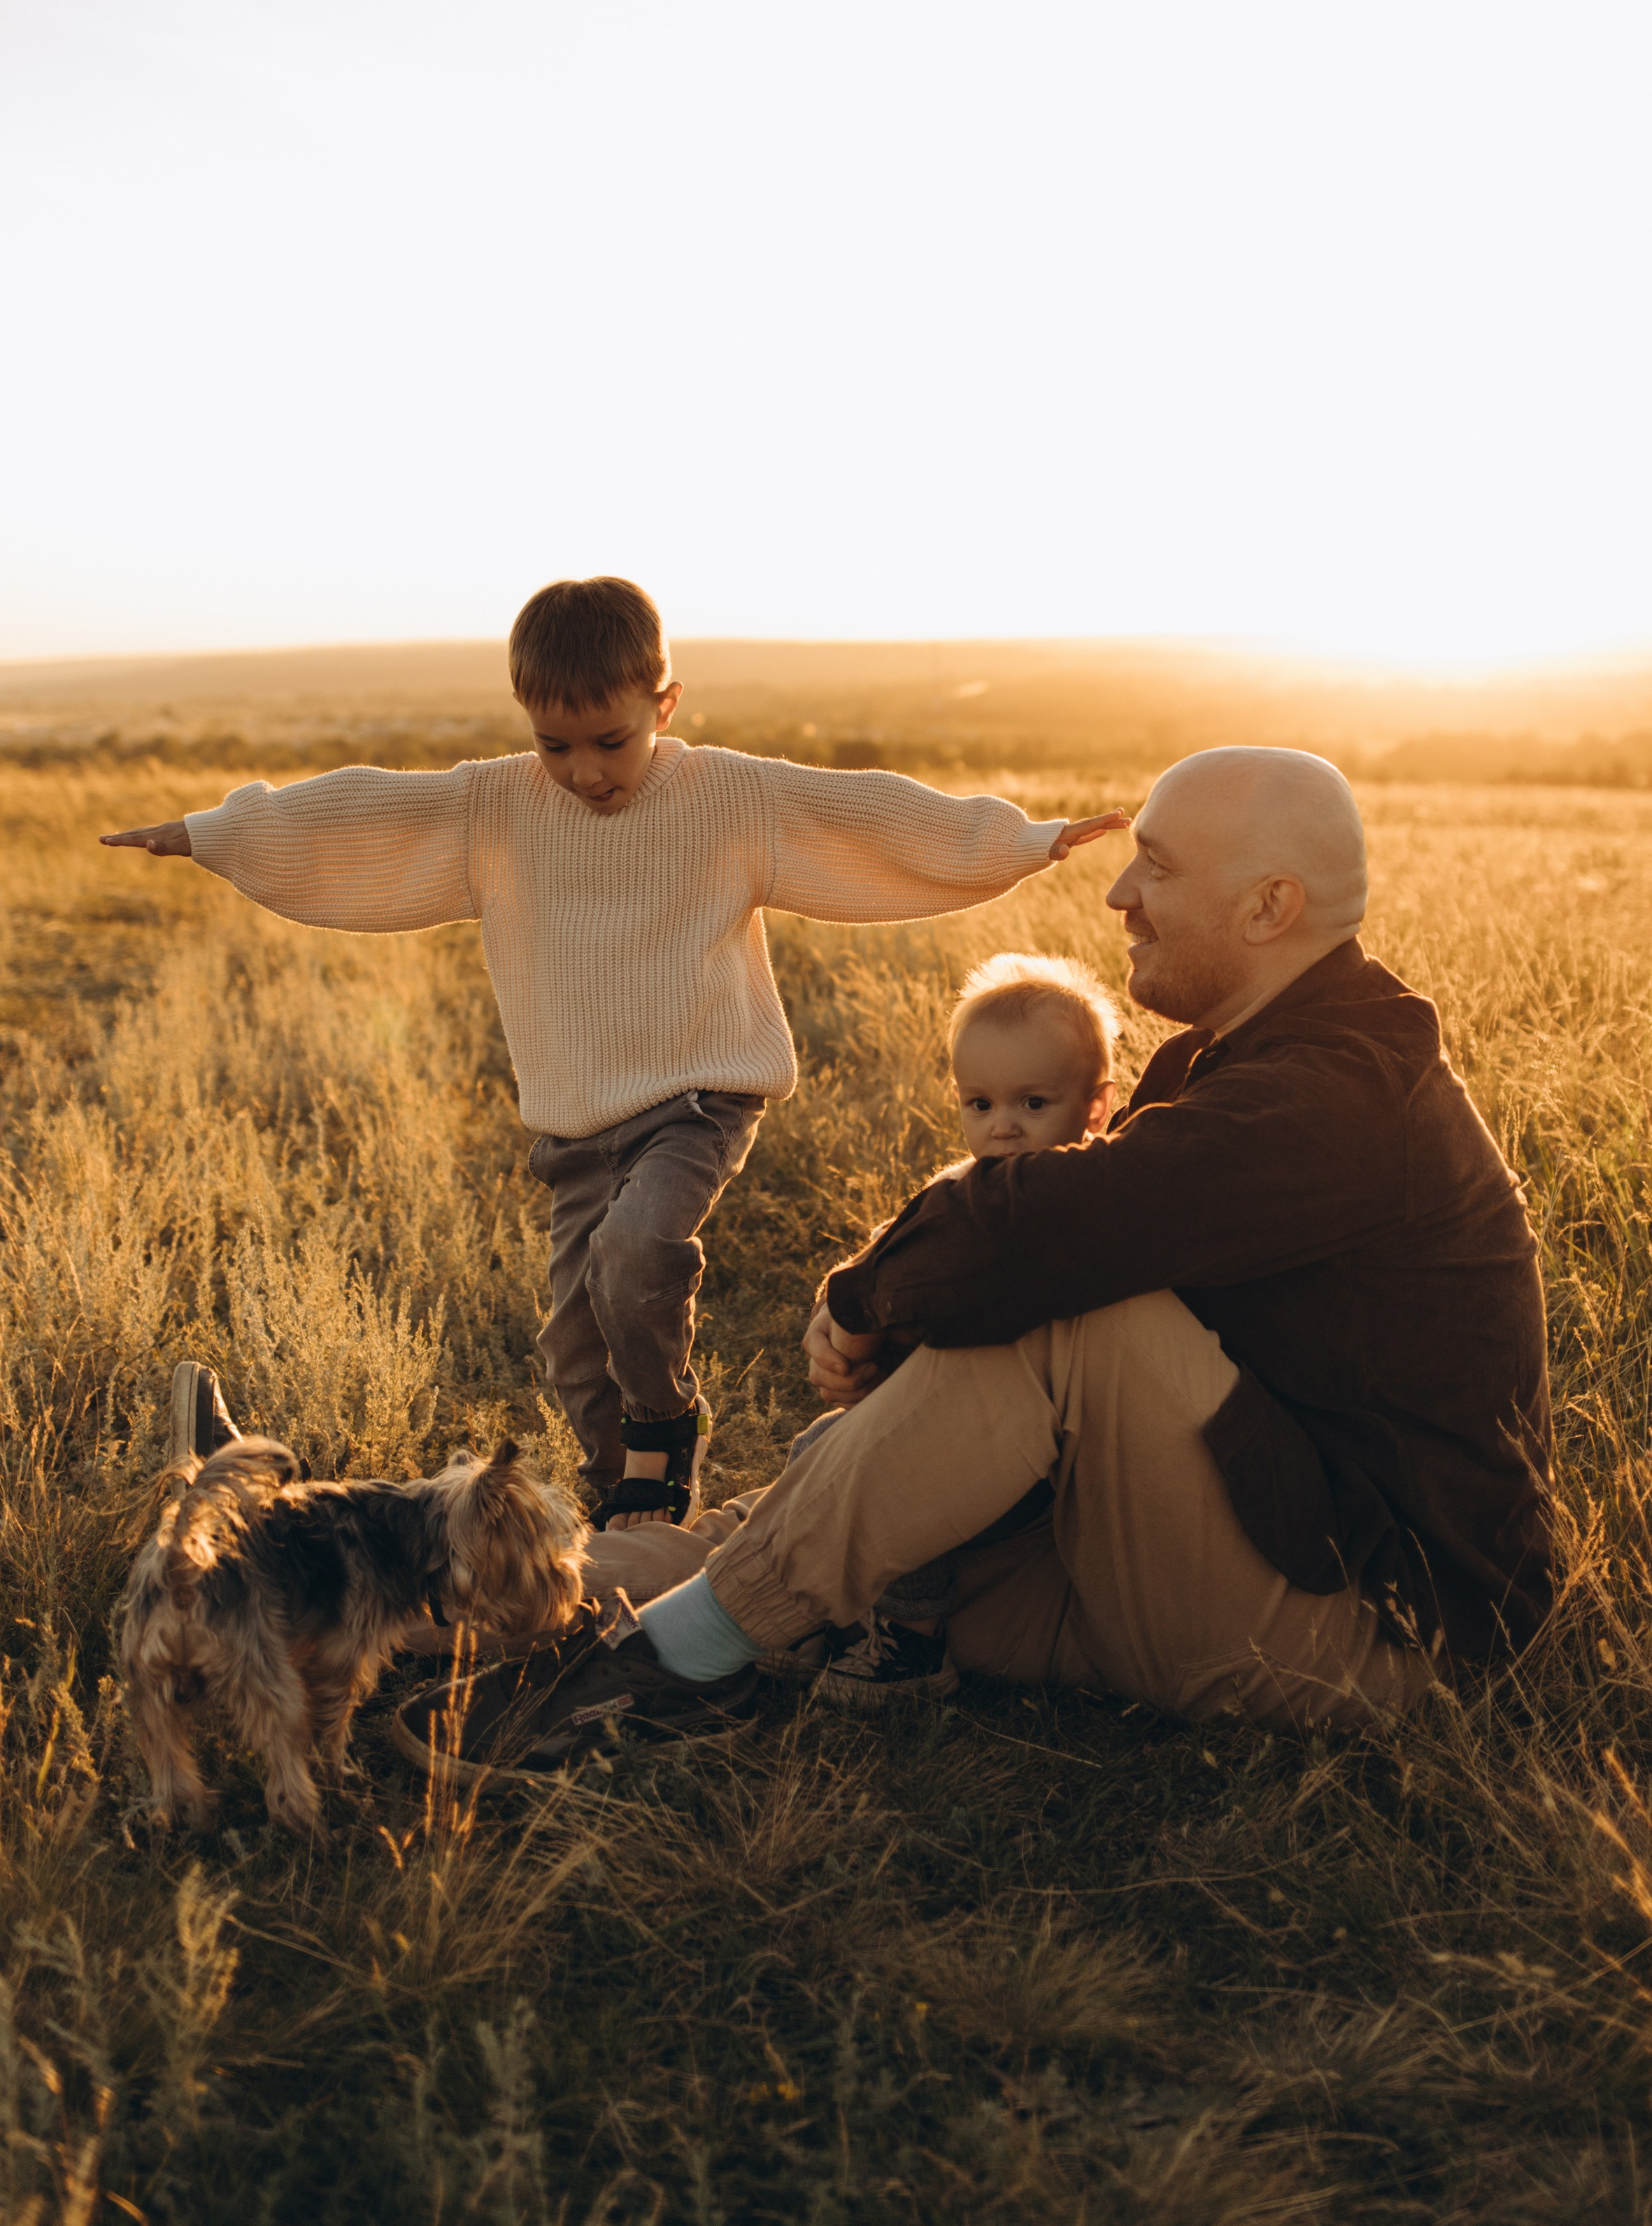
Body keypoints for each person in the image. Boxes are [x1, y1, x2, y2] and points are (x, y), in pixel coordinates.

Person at [390, 746, 1554, 1778]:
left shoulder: (1338, 1096)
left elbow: (1030, 1237)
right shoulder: (1225, 1064)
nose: (1119, 894)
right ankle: (346, 1575)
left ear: (1268, 908)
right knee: (771, 1544)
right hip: (1209, 1542)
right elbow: (1027, 1236)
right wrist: (901, 1310)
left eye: (1155, 866)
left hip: (1377, 1633)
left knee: (1068, 1319)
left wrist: (864, 1295)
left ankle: (681, 1668)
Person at [105, 578, 1125, 1530]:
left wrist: (1021, 840)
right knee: (573, 1342)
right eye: (554, 745)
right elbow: (365, 814)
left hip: (698, 1095)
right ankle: (618, 1503)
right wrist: (214, 835)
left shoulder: (731, 799)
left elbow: (867, 814)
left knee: (637, 1256)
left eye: (610, 739)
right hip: (574, 1126)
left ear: (665, 704)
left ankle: (662, 1434)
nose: (584, 772)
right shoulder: (497, 807)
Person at [785, 950, 1118, 1709]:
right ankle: (830, 1607)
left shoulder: (1086, 1201)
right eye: (979, 1105)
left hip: (1015, 1450)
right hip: (927, 1411)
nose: (1001, 1128)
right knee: (824, 1453)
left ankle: (910, 1638)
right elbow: (884, 1259)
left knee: (896, 1475)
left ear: (1093, 1109)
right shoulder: (958, 1190)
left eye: (1033, 1105)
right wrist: (838, 1326)